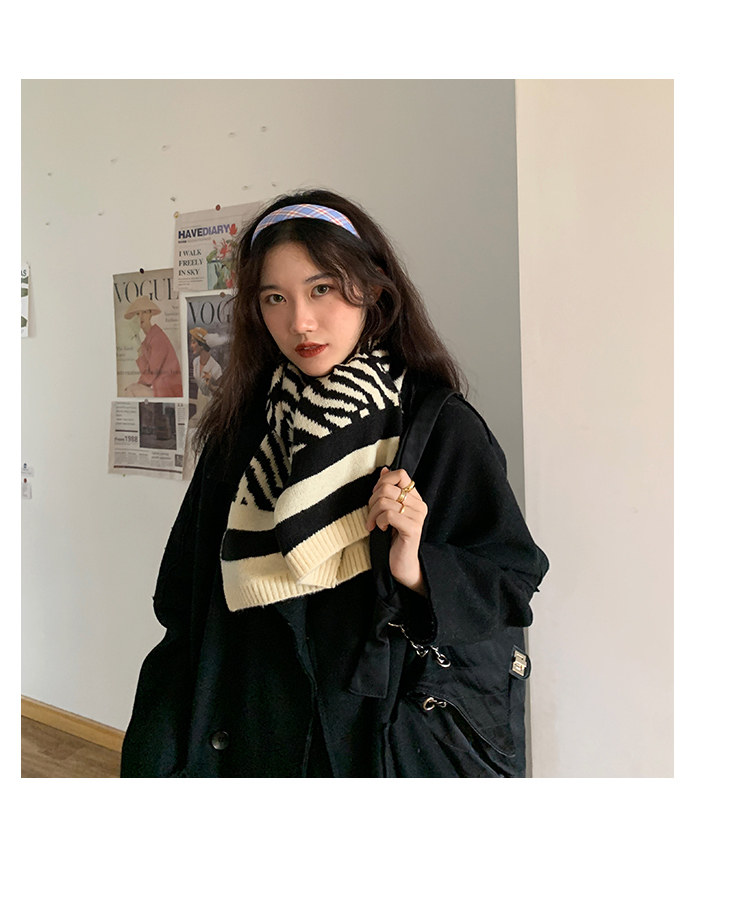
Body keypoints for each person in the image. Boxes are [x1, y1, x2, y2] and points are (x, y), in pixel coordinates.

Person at [121, 189, 549, 778]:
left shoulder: (437, 428)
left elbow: (512, 582)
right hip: (248, 735)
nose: (300, 321)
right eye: (275, 298)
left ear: (372, 289)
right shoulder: (244, 431)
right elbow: (185, 601)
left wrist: (416, 567)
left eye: (321, 289)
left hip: (371, 742)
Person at [122, 297, 183, 398]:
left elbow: (150, 376)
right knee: (131, 389)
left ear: (150, 314)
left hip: (169, 391)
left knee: (131, 391)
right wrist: (139, 350)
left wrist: (136, 386)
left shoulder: (158, 338)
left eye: (144, 312)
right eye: (137, 314)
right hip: (160, 388)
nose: (141, 317)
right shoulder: (146, 342)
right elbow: (146, 372)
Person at [189, 327, 223, 423]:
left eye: (193, 342)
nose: (191, 345)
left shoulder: (216, 368)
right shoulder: (195, 362)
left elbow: (222, 394)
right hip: (199, 407)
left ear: (202, 345)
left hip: (211, 411)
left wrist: (211, 385)